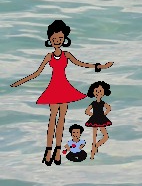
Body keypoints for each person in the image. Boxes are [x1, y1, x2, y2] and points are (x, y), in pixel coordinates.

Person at [12, 20, 113, 168]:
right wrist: (20, 81)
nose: (57, 42)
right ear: (49, 40)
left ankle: (57, 150)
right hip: (54, 88)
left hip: (64, 88)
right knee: (52, 119)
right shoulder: (49, 56)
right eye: (54, 39)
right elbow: (37, 73)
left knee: (61, 121)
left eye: (60, 39)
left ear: (64, 39)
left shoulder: (67, 54)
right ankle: (48, 150)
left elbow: (82, 64)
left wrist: (100, 66)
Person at [83, 81, 111, 159]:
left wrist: (104, 115)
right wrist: (94, 115)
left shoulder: (102, 103)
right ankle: (92, 154)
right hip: (96, 119)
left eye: (100, 91)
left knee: (105, 136)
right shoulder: (94, 103)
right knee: (94, 138)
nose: (98, 93)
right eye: (96, 91)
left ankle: (95, 147)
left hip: (99, 119)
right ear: (93, 92)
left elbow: (108, 108)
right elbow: (87, 111)